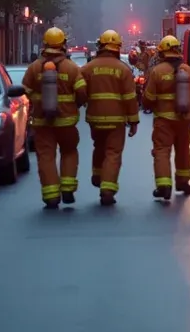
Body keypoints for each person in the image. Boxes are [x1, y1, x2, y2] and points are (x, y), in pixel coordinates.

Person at [21, 27, 87, 208]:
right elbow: (81, 92)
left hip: (43, 122)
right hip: (67, 121)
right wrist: (76, 105)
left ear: (45, 44)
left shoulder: (34, 67)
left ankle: (51, 195)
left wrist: (38, 103)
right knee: (69, 152)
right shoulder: (71, 68)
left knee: (46, 157)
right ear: (63, 44)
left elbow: (25, 91)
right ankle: (67, 188)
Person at [80, 30, 140, 206]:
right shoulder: (124, 70)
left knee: (98, 147)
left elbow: (81, 93)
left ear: (100, 46)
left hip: (95, 118)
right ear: (117, 48)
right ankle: (107, 189)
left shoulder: (88, 68)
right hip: (116, 120)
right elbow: (130, 98)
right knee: (113, 152)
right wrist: (134, 121)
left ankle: (98, 175)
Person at [142, 35, 190, 200]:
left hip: (164, 120)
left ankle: (164, 185)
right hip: (184, 119)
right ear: (177, 50)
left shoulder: (157, 71)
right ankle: (183, 182)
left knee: (162, 151)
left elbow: (148, 97)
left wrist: (147, 105)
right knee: (183, 150)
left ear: (162, 52)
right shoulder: (187, 70)